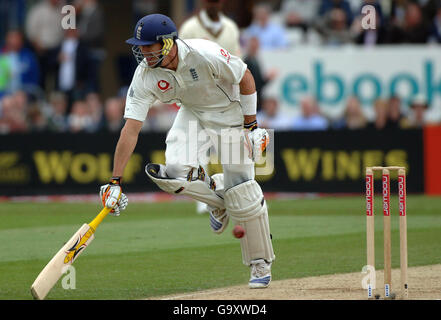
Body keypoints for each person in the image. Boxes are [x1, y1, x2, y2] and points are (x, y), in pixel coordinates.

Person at [99, 14, 275, 288]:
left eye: (148, 46)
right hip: (191, 113)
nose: (143, 52)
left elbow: (246, 76)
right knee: (173, 173)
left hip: (229, 112)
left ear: (167, 44)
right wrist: (115, 181)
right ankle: (220, 200)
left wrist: (251, 126)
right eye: (140, 46)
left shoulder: (204, 53)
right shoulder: (146, 74)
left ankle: (259, 262)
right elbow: (130, 130)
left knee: (243, 190)